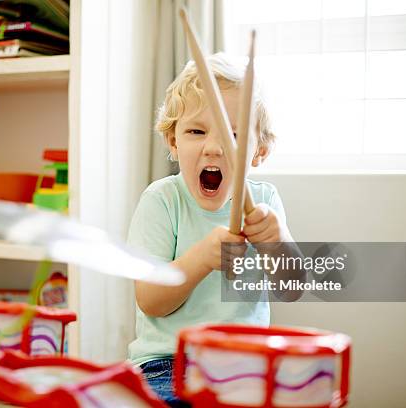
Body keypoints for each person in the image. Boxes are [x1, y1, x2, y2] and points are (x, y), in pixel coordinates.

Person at [127, 53, 295, 407]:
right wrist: (202, 258)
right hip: (167, 364)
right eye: (196, 131)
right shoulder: (162, 200)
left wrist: (277, 242)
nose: (215, 147)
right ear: (173, 142)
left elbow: (291, 288)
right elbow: (150, 300)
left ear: (259, 151)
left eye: (234, 135)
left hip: (247, 366)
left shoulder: (265, 201)